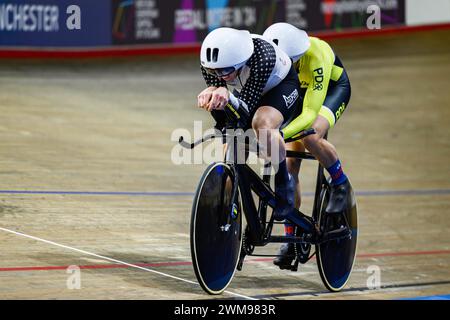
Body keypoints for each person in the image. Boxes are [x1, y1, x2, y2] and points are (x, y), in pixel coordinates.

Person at [262, 22, 352, 269]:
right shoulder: (274, 59)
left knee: (311, 136)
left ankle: (340, 182)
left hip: (331, 91)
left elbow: (310, 113)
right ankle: (292, 238)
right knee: (289, 165)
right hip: (299, 93)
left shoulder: (316, 55)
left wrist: (278, 133)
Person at [197, 27, 303, 220]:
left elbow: (246, 109)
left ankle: (283, 182)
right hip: (249, 90)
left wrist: (227, 96)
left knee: (262, 123)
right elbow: (228, 120)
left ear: (240, 61)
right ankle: (228, 199)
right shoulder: (213, 63)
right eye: (214, 71)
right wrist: (213, 97)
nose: (220, 76)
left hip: (280, 87)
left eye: (225, 70)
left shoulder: (263, 56)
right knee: (233, 146)